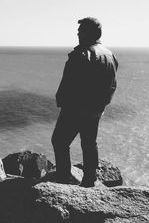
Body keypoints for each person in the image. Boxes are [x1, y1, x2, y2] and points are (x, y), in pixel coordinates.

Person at [52, 17, 119, 187]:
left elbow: (70, 83)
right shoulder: (110, 55)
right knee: (89, 143)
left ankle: (62, 179)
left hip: (76, 108)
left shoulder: (83, 54)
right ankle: (90, 179)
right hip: (96, 108)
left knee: (59, 141)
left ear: (89, 33)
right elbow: (112, 83)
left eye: (81, 30)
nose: (77, 33)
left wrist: (63, 102)